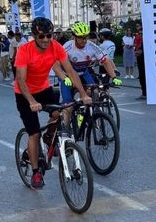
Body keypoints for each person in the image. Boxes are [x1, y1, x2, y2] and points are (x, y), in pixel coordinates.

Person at [14, 17, 91, 189]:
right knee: (33, 133)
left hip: (43, 89)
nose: (46, 40)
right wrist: (32, 101)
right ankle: (35, 173)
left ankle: (49, 135)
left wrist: (84, 94)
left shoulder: (55, 47)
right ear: (35, 36)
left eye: (49, 35)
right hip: (25, 93)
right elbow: (20, 79)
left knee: (59, 114)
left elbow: (70, 71)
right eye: (42, 37)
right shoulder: (24, 50)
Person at [134, 23, 146, 100]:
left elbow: (140, 51)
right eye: (140, 33)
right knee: (142, 77)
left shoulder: (146, 41)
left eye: (142, 33)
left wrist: (138, 52)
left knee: (144, 77)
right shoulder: (142, 41)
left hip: (144, 62)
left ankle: (145, 93)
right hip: (140, 61)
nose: (140, 35)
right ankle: (144, 93)